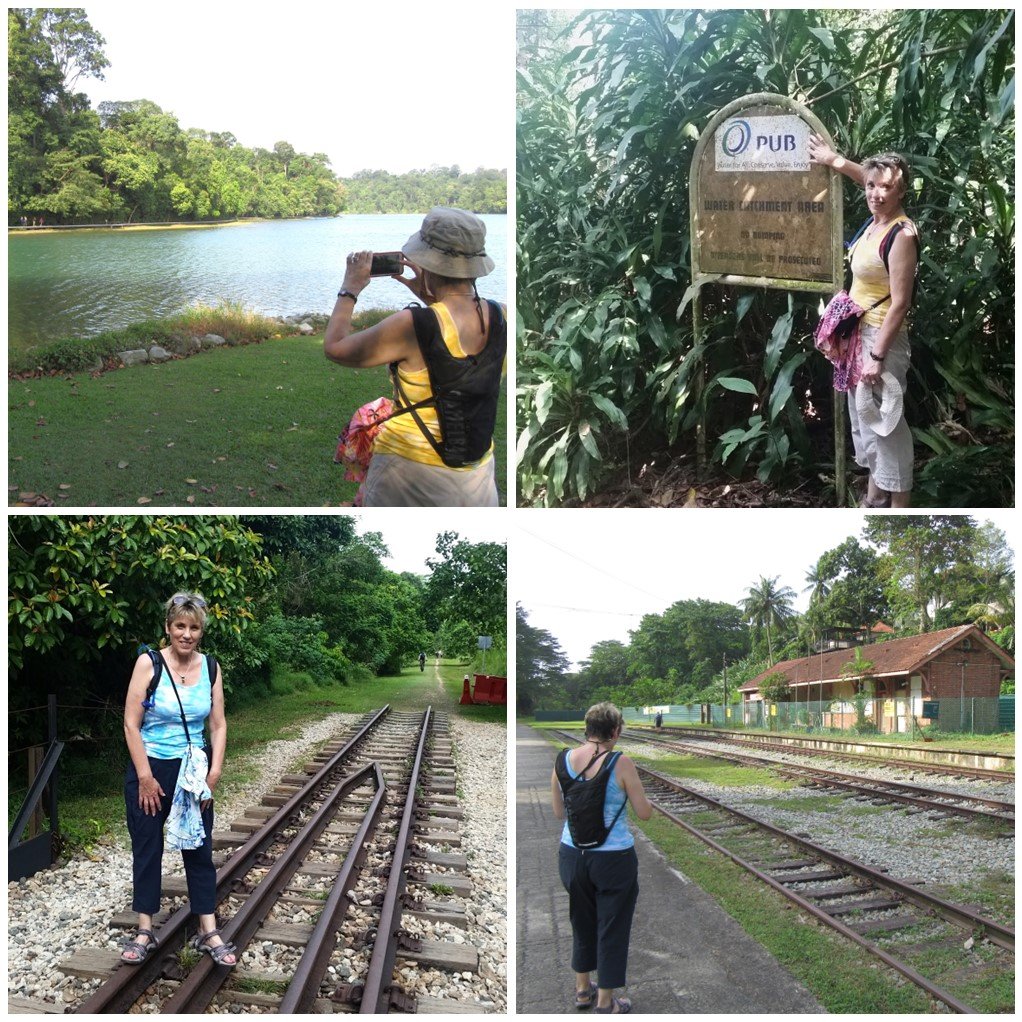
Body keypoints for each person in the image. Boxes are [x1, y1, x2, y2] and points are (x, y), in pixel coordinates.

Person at [324, 207, 506, 507]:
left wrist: (350, 287)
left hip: (408, 474)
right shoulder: (503, 316)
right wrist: (433, 299)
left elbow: (335, 347)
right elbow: (455, 345)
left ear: (427, 262)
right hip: (477, 479)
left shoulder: (411, 325)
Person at [121, 592, 236, 967]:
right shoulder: (148, 663)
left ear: (201, 631)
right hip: (151, 766)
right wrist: (145, 777)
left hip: (193, 771)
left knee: (198, 848)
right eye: (180, 626)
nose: (186, 634)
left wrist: (214, 771)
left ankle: (208, 929)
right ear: (168, 628)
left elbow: (217, 724)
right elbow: (131, 724)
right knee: (147, 844)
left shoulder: (211, 667)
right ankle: (144, 928)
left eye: (194, 627)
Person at [808, 136, 919, 508]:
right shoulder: (875, 221)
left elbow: (900, 304)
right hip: (858, 334)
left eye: (887, 187)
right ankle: (875, 495)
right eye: (871, 185)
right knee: (865, 418)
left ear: (901, 191)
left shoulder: (900, 234)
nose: (875, 192)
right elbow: (871, 178)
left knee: (887, 425)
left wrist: (876, 355)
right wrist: (834, 160)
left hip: (879, 337)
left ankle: (900, 504)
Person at [551, 703, 652, 1014]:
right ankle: (607, 1002)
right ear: (615, 731)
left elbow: (558, 813)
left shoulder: (562, 760)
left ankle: (583, 990)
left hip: (572, 856)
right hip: (613, 861)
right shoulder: (621, 763)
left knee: (581, 921)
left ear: (587, 728)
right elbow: (644, 813)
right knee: (612, 926)